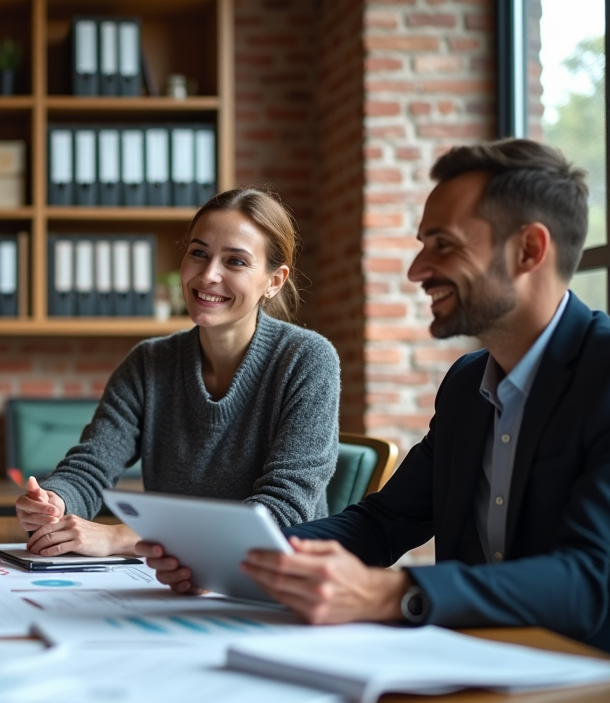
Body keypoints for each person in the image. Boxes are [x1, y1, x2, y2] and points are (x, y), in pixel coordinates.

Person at [143, 139, 610, 651]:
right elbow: (385, 522)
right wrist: (239, 557)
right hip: (476, 667)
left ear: (529, 250)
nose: (417, 270)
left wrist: (395, 592)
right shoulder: (467, 384)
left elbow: (593, 579)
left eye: (444, 245)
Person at [15, 188, 341, 557]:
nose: (208, 275)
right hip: (174, 576)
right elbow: (91, 465)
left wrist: (126, 537)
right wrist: (55, 500)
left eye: (235, 262)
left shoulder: (307, 360)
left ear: (274, 281)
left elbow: (282, 510)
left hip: (273, 581)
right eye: (198, 253)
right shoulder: (148, 363)